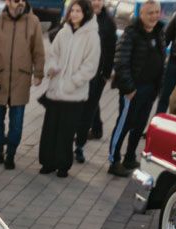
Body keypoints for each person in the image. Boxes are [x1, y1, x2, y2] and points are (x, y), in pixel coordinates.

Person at [0, 0, 45, 170]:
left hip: (20, 80)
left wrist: (38, 73)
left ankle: (11, 155)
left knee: (16, 124)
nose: (19, 3)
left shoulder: (33, 22)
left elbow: (38, 50)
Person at [37, 0, 98, 178]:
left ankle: (63, 164)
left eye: (79, 11)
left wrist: (72, 82)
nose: (75, 14)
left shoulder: (92, 36)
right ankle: (47, 162)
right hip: (56, 90)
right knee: (50, 128)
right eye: (73, 10)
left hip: (74, 94)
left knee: (66, 130)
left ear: (85, 13)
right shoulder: (63, 32)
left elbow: (90, 65)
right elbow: (53, 54)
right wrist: (52, 67)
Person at [107, 0, 164, 177]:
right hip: (132, 91)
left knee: (139, 126)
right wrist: (129, 88)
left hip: (150, 90)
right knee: (124, 125)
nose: (154, 16)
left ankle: (130, 157)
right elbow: (121, 61)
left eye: (156, 12)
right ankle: (114, 160)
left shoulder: (159, 32)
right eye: (150, 13)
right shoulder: (131, 33)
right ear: (142, 14)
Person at [74, 0, 116, 163]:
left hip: (96, 77)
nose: (97, 2)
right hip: (77, 74)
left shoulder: (108, 23)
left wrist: (105, 74)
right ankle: (68, 141)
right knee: (74, 110)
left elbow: (111, 50)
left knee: (87, 113)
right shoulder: (80, 16)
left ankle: (79, 146)